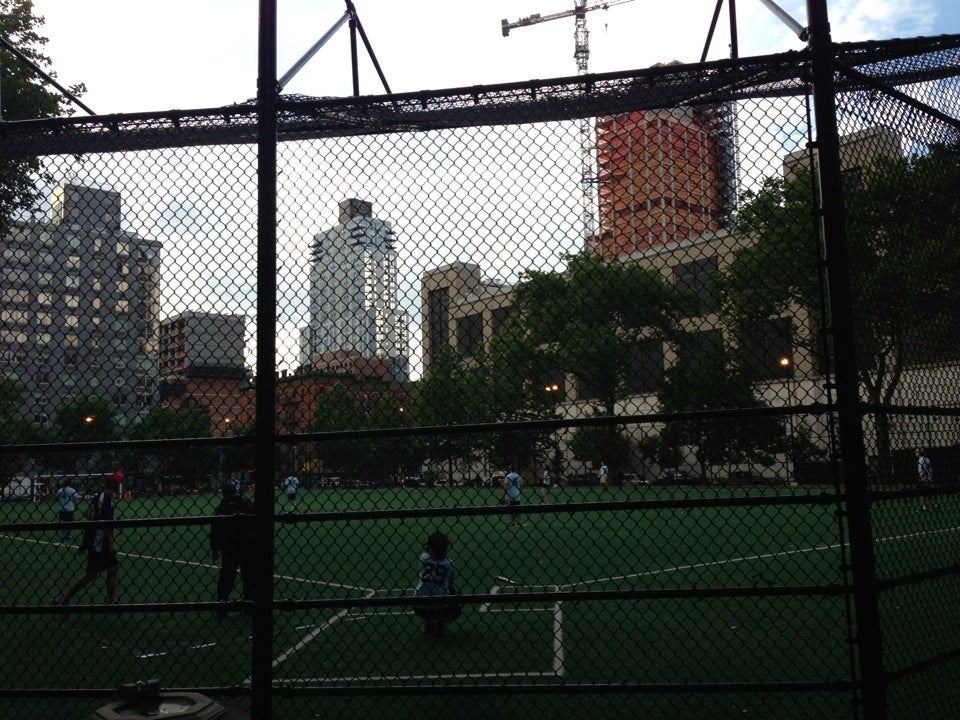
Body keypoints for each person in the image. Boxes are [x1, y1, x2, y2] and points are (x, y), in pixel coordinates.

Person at [55, 471, 123, 606]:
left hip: (95, 541)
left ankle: (111, 600)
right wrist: (111, 543)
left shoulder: (100, 497)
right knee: (95, 573)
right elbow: (102, 522)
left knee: (109, 569)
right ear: (115, 485)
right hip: (100, 542)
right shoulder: (105, 498)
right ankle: (64, 600)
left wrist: (84, 544)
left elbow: (90, 521)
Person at [210, 480, 255, 617]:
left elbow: (215, 530)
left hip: (229, 547)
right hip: (247, 545)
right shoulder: (245, 503)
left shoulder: (221, 508)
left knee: (226, 578)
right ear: (235, 491)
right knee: (249, 577)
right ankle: (249, 607)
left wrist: (214, 548)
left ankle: (221, 608)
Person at [413, 531, 460, 638]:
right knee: (453, 593)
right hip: (442, 608)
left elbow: (421, 571)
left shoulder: (423, 557)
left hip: (419, 606)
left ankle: (428, 623)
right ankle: (440, 624)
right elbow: (451, 581)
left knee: (426, 588)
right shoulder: (449, 563)